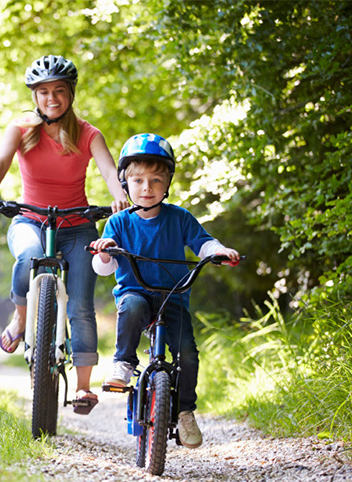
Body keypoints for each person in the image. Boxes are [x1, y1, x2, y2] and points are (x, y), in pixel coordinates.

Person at [0, 54, 129, 415]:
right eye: (43, 92)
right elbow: (0, 161)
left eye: (59, 91)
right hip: (30, 220)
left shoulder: (89, 133)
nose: (51, 98)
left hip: (77, 228)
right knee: (28, 256)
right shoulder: (22, 128)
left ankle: (83, 388)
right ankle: (20, 315)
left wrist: (119, 193)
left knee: (80, 306)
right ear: (34, 96)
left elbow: (108, 169)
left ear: (71, 93)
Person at [90, 133, 240, 448]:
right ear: (125, 183)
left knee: (187, 353)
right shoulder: (118, 223)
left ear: (167, 182)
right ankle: (124, 362)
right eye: (139, 180)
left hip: (173, 296)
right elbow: (104, 267)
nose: (147, 188)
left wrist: (219, 251)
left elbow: (203, 242)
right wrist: (106, 251)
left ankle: (185, 411)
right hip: (137, 293)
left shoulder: (180, 218)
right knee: (130, 308)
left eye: (156, 180)